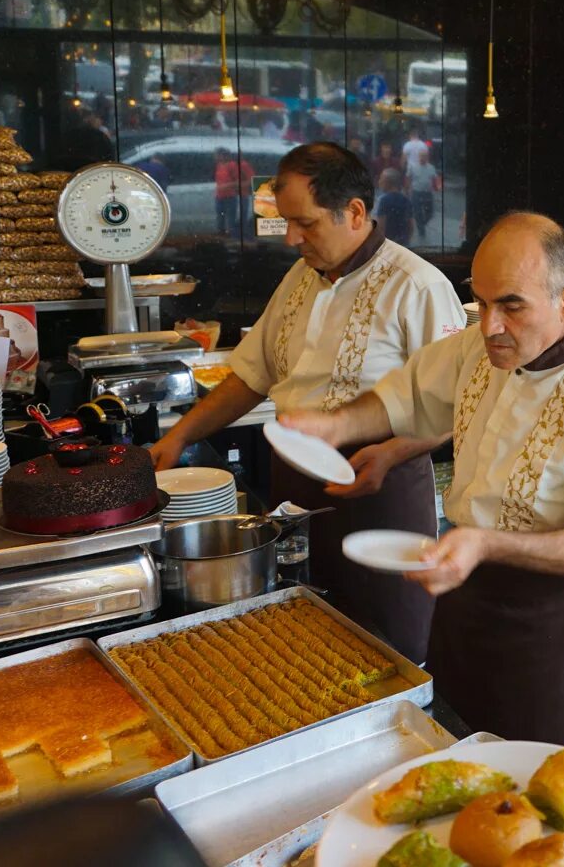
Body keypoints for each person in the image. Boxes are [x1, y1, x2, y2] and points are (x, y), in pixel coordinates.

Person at [279, 213, 564, 756]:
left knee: (546, 796)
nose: (489, 325)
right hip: (465, 608)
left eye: (511, 305)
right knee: (454, 760)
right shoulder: (479, 352)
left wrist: (485, 542)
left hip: (552, 631)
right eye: (480, 302)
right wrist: (333, 425)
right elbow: (404, 396)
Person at [151, 143, 465, 660]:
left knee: (387, 649)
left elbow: (456, 406)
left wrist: (388, 453)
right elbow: (252, 376)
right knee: (305, 639)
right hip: (293, 486)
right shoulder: (300, 276)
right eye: (288, 222)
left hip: (377, 491)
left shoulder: (417, 287)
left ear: (355, 213)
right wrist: (179, 437)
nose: (293, 238)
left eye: (307, 224)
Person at [213, 147, 253, 236]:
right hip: (220, 195)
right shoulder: (219, 166)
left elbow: (242, 180)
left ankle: (235, 235)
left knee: (234, 218)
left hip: (233, 195)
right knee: (220, 217)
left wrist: (228, 186)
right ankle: (223, 233)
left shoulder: (235, 166)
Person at [404, 150, 438, 244]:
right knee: (418, 212)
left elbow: (434, 179)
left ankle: (421, 224)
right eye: (421, 156)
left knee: (430, 213)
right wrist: (407, 190)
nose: (423, 158)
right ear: (418, 157)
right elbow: (408, 178)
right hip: (416, 192)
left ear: (427, 157)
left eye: (425, 156)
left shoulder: (431, 167)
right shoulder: (413, 167)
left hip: (428, 193)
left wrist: (436, 187)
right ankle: (421, 231)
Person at [374, 167, 413, 244]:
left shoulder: (383, 200)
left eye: (381, 179)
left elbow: (381, 226)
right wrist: (407, 239)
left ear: (387, 183)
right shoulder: (406, 200)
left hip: (388, 243)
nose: (379, 182)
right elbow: (411, 225)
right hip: (402, 241)